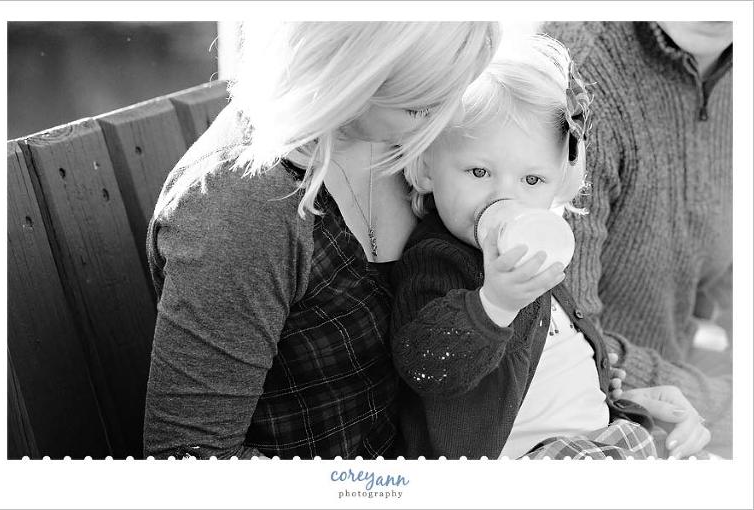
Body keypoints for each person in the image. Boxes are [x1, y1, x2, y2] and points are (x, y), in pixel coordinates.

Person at [142, 21, 500, 459]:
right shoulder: (245, 203)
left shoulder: (394, 141)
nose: (453, 116)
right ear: (347, 70)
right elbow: (188, 456)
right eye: (423, 106)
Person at [390, 34, 711, 459]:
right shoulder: (438, 258)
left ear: (558, 182)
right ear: (427, 166)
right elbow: (426, 366)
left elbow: (555, 349)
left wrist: (605, 384)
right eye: (479, 171)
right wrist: (493, 305)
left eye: (532, 180)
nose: (503, 197)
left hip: (600, 433)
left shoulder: (539, 247)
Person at [543, 21, 733, 455]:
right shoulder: (579, 74)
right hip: (592, 433)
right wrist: (725, 403)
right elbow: (569, 337)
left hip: (682, 408)